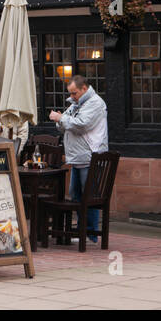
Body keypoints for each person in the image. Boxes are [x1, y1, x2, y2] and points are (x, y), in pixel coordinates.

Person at [49, 74, 108, 237]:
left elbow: (81, 124)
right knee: (76, 194)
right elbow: (63, 126)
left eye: (74, 93)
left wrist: (61, 118)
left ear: (84, 88)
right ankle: (82, 230)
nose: (72, 96)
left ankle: (90, 233)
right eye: (70, 93)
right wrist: (61, 120)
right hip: (77, 157)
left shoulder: (95, 103)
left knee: (89, 195)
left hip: (90, 156)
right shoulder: (76, 103)